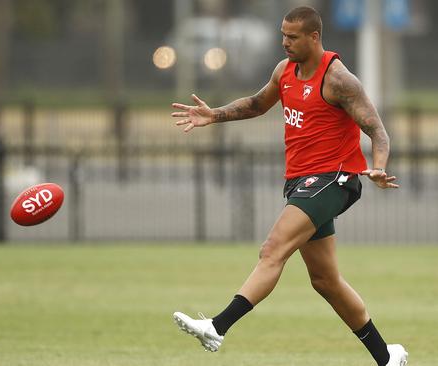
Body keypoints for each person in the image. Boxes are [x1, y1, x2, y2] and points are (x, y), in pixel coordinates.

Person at [170, 6, 407, 366]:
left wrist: (378, 167)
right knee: (326, 281)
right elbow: (255, 104)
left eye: (292, 36)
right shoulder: (285, 72)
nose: (285, 42)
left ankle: (217, 327)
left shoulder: (339, 79)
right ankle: (386, 356)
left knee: (272, 249)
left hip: (335, 179)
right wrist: (214, 114)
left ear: (314, 37)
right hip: (302, 182)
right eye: (282, 35)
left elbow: (377, 130)